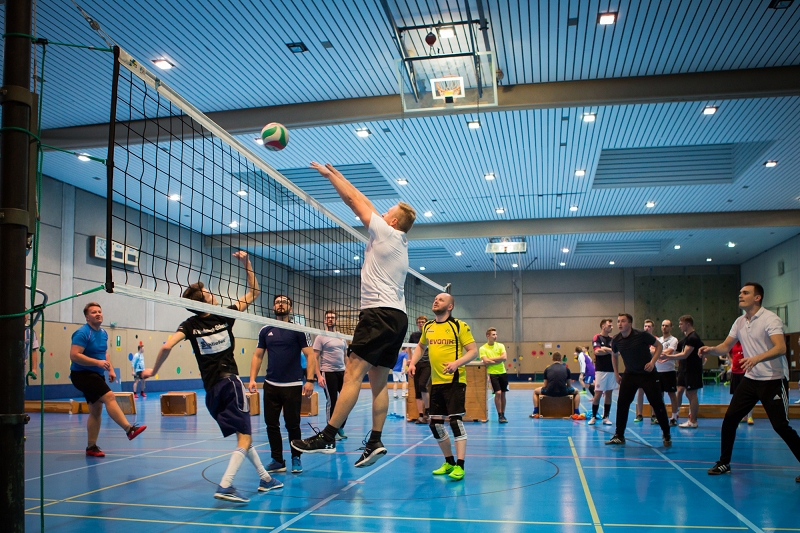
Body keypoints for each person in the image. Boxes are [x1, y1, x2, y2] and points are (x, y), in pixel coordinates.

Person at [291, 162, 416, 468]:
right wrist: (338, 174)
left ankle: (328, 435)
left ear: (393, 221)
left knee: (352, 374)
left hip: (378, 314)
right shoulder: (398, 240)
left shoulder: (386, 233)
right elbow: (365, 201)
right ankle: (375, 441)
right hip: (397, 317)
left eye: (387, 212)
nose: (381, 213)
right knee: (379, 382)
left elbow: (353, 201)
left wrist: (330, 178)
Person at [143, 251, 282, 503]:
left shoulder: (189, 325)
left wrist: (152, 371)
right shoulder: (224, 316)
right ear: (204, 301)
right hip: (231, 383)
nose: (212, 293)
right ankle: (226, 485)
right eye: (208, 292)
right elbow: (254, 292)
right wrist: (247, 264)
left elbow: (166, 346)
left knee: (243, 435)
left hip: (211, 391)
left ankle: (265, 478)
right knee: (245, 436)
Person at [702, 282, 800, 479]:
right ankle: (724, 462)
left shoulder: (770, 319)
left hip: (773, 380)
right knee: (730, 419)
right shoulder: (739, 322)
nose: (740, 295)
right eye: (740, 292)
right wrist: (710, 350)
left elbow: (780, 348)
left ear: (757, 297)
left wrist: (756, 358)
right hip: (751, 379)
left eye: (745, 292)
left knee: (780, 426)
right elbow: (725, 347)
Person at [408, 293, 478, 481]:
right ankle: (449, 462)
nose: (436, 301)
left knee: (455, 422)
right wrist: (413, 363)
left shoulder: (459, 326)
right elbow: (421, 346)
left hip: (455, 380)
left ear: (450, 306)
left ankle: (460, 466)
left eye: (441, 299)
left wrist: (457, 363)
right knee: (435, 424)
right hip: (436, 382)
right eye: (435, 298)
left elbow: (473, 351)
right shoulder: (428, 326)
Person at [249, 295, 315, 474]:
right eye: (277, 302)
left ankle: (296, 458)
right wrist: (252, 379)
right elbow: (258, 355)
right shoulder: (265, 330)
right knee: (271, 425)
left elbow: (310, 355)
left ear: (290, 308)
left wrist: (310, 380)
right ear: (273, 307)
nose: (280, 304)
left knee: (293, 425)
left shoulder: (298, 329)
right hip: (271, 384)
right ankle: (277, 460)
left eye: (284, 302)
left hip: (292, 385)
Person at [71, 302, 146, 458]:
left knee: (96, 410)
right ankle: (129, 429)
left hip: (96, 374)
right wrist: (97, 363)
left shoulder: (104, 333)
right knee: (109, 396)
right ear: (87, 317)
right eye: (93, 312)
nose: (98, 314)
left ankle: (91, 447)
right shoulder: (82, 333)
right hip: (82, 374)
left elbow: (105, 353)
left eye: (99, 311)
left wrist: (110, 369)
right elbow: (74, 355)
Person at [605, 313, 671, 447]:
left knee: (657, 404)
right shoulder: (616, 339)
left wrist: (652, 362)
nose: (620, 324)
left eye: (623, 321)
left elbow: (659, 346)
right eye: (618, 321)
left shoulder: (641, 335)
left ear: (630, 323)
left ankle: (666, 433)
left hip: (648, 374)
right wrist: (616, 374)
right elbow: (614, 355)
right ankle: (619, 435)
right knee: (622, 404)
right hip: (630, 375)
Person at [663, 315, 705, 428]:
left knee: (692, 393)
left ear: (688, 324)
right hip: (685, 370)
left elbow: (685, 354)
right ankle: (685, 416)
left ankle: (693, 421)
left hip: (692, 370)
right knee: (686, 392)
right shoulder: (686, 339)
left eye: (681, 324)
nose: (679, 326)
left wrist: (669, 357)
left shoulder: (693, 338)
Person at [313, 310, 349, 440]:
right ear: (324, 320)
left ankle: (340, 426)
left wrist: (348, 372)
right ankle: (331, 430)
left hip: (342, 372)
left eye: (332, 318)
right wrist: (319, 375)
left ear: (336, 321)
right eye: (328, 318)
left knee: (346, 400)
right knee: (332, 401)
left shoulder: (341, 337)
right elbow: (314, 358)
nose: (330, 319)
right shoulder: (320, 337)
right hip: (328, 373)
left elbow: (345, 357)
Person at [530, 352, 584, 420]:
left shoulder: (547, 369)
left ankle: (535, 412)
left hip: (549, 392)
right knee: (577, 391)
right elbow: (569, 385)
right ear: (561, 359)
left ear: (552, 359)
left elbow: (545, 385)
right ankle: (576, 412)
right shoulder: (566, 369)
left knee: (535, 391)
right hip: (563, 392)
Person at [479, 327, 509, 423]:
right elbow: (485, 361)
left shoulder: (500, 346)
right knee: (498, 393)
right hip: (492, 374)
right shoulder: (483, 348)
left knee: (503, 393)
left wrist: (491, 360)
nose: (495, 336)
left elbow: (504, 358)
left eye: (496, 334)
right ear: (488, 336)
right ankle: (499, 414)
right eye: (493, 335)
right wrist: (498, 359)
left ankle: (503, 415)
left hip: (502, 372)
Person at [589, 319, 616, 426]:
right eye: (609, 325)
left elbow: (617, 353)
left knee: (609, 394)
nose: (612, 327)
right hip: (600, 370)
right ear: (603, 326)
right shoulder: (597, 337)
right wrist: (609, 350)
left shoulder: (613, 339)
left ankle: (606, 417)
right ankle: (594, 417)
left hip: (611, 370)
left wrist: (605, 349)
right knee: (598, 394)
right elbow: (597, 351)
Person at [408, 315, 431, 424]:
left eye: (423, 322)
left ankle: (428, 411)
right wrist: (411, 360)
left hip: (427, 364)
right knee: (417, 390)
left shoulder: (430, 334)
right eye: (419, 322)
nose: (421, 324)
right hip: (417, 364)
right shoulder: (414, 335)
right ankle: (421, 415)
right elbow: (408, 347)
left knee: (422, 385)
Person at [634, 319, 657, 422]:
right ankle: (639, 414)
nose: (647, 328)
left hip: (652, 370)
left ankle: (654, 415)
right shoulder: (640, 339)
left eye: (649, 326)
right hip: (641, 369)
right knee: (640, 392)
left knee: (653, 392)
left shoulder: (655, 339)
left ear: (652, 328)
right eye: (645, 326)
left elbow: (655, 351)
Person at [727, 341, 753, 425]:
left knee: (748, 395)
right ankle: (742, 416)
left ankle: (749, 416)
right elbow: (729, 353)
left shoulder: (745, 342)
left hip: (745, 372)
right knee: (736, 395)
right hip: (735, 372)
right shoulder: (732, 343)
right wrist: (732, 362)